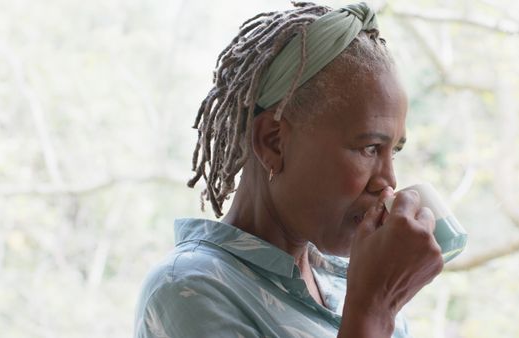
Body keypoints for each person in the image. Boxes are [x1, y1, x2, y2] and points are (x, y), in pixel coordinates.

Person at [134, 2, 444, 337]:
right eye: (369, 148)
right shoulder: (189, 290)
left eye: (393, 152)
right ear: (273, 143)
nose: (388, 182)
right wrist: (373, 310)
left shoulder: (349, 285)